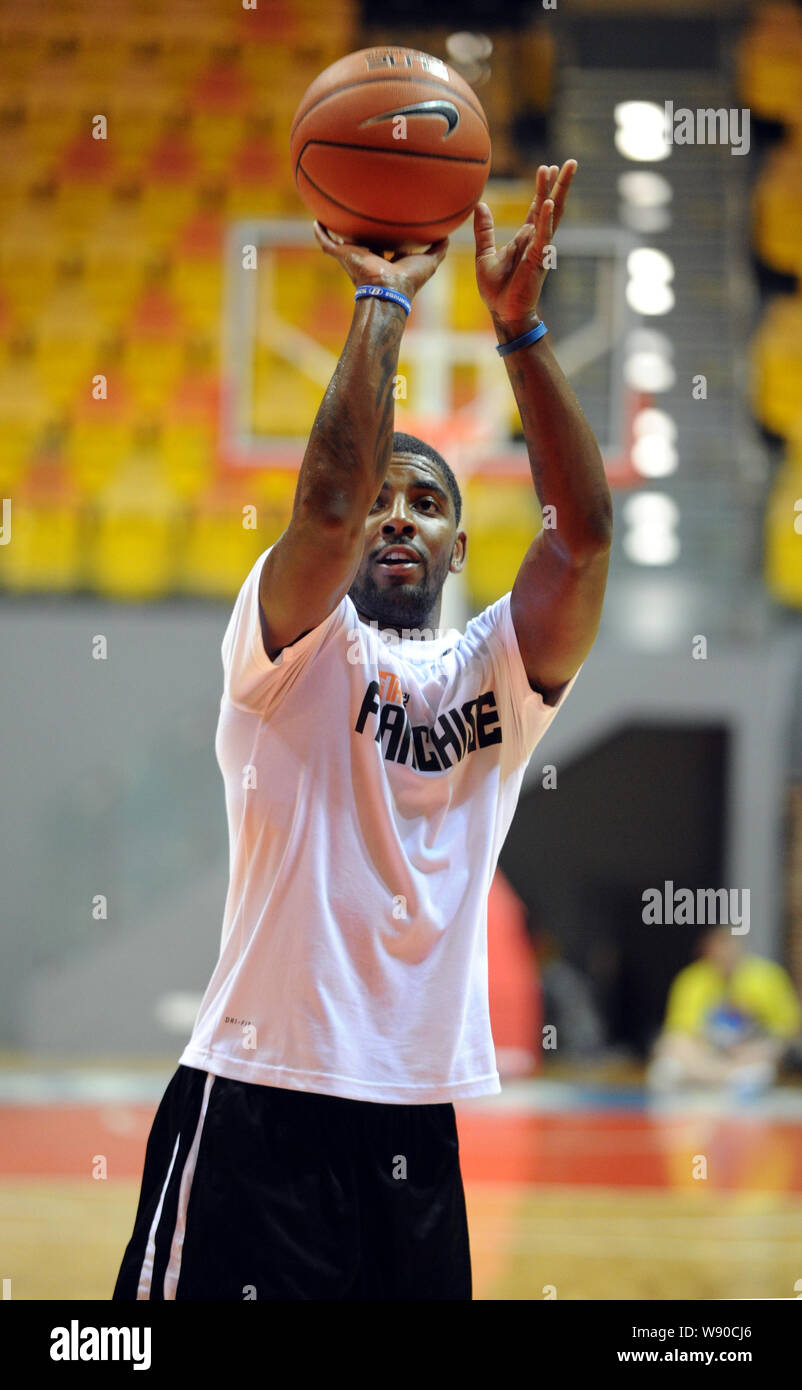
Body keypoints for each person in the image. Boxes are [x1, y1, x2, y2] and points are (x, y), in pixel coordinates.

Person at [113, 160, 613, 1301]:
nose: (395, 512)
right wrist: (383, 297)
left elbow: (580, 539)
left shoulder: (498, 671)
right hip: (254, 1104)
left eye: (427, 501)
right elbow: (327, 508)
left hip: (412, 1127)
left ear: (458, 549)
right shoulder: (290, 646)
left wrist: (523, 330)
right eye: (385, 494)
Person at [647, 924, 801, 1096]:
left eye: (729, 944)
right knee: (669, 1051)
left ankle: (719, 1079)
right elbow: (680, 1030)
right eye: (719, 946)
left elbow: (789, 1028)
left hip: (749, 1052)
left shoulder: (768, 976)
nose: (725, 952)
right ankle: (727, 1078)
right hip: (706, 1054)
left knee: (771, 1052)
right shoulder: (691, 980)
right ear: (707, 949)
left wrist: (755, 1046)